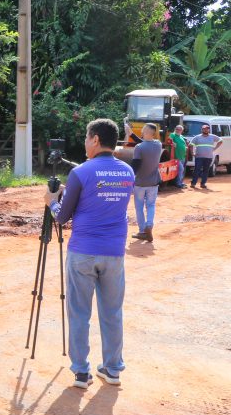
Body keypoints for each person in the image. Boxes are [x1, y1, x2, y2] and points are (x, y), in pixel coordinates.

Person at [44, 118, 135, 389]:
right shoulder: (127, 172)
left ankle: (81, 373)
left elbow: (62, 217)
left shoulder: (81, 172)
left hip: (83, 252)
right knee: (112, 312)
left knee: (79, 312)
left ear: (95, 139)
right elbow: (103, 199)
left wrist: (51, 202)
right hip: (114, 252)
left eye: (86, 138)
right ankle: (112, 368)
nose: (85, 143)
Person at [130, 123, 162, 243]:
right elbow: (145, 144)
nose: (142, 131)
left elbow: (135, 166)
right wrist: (131, 134)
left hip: (140, 183)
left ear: (148, 131)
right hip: (153, 182)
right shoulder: (158, 144)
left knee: (139, 207)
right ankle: (149, 225)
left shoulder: (139, 147)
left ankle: (142, 231)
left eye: (143, 129)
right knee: (151, 205)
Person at [190, 123, 223, 189]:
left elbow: (220, 141)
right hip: (199, 157)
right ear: (202, 130)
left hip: (208, 157)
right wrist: (192, 153)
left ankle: (203, 184)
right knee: (197, 170)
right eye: (204, 129)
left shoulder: (212, 136)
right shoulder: (197, 137)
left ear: (209, 130)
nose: (205, 130)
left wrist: (215, 148)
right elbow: (191, 145)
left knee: (206, 171)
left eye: (207, 129)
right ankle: (193, 183)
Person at [168, 124, 188, 188]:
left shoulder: (181, 136)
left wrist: (185, 148)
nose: (177, 130)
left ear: (182, 130)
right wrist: (173, 143)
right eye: (176, 129)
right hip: (176, 157)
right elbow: (169, 140)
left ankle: (181, 182)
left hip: (182, 156)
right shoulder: (173, 134)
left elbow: (184, 144)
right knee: (181, 169)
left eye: (179, 129)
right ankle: (178, 183)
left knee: (181, 170)